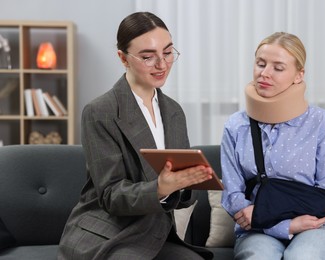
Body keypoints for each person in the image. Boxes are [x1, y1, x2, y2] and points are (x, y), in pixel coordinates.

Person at [58, 12, 213, 260]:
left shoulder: (174, 112)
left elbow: (184, 197)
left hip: (156, 231)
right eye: (148, 57)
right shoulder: (100, 112)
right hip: (110, 231)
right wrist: (161, 187)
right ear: (123, 58)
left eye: (168, 52)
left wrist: (186, 183)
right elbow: (111, 196)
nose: (162, 65)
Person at [221, 32, 325, 260]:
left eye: (278, 68)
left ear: (299, 75)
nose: (264, 73)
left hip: (314, 226)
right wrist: (287, 225)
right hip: (256, 230)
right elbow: (233, 194)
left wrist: (288, 221)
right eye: (260, 64)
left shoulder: (321, 122)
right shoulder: (236, 125)